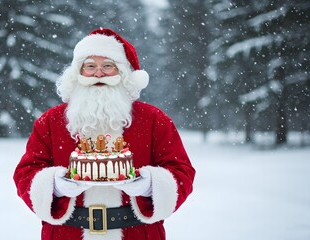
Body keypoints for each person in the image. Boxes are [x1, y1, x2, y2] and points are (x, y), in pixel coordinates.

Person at [13, 28, 195, 240]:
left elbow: (182, 172)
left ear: (122, 73)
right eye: (90, 66)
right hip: (67, 232)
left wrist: (150, 186)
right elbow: (26, 173)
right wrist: (54, 186)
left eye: (107, 66)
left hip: (137, 232)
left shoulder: (154, 119)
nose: (98, 73)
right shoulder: (51, 121)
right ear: (78, 73)